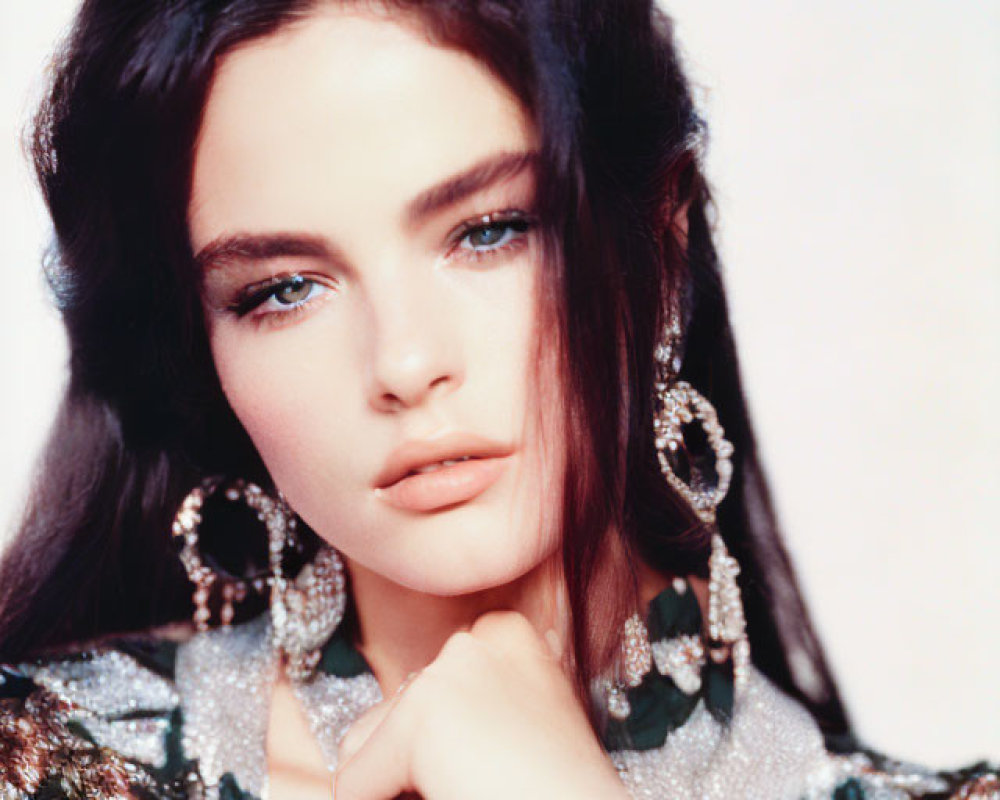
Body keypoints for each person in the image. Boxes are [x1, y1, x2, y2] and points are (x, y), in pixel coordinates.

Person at [0, 1, 995, 798]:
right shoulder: (49, 763)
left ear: (660, 239)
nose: (403, 360)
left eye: (488, 231)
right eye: (282, 288)